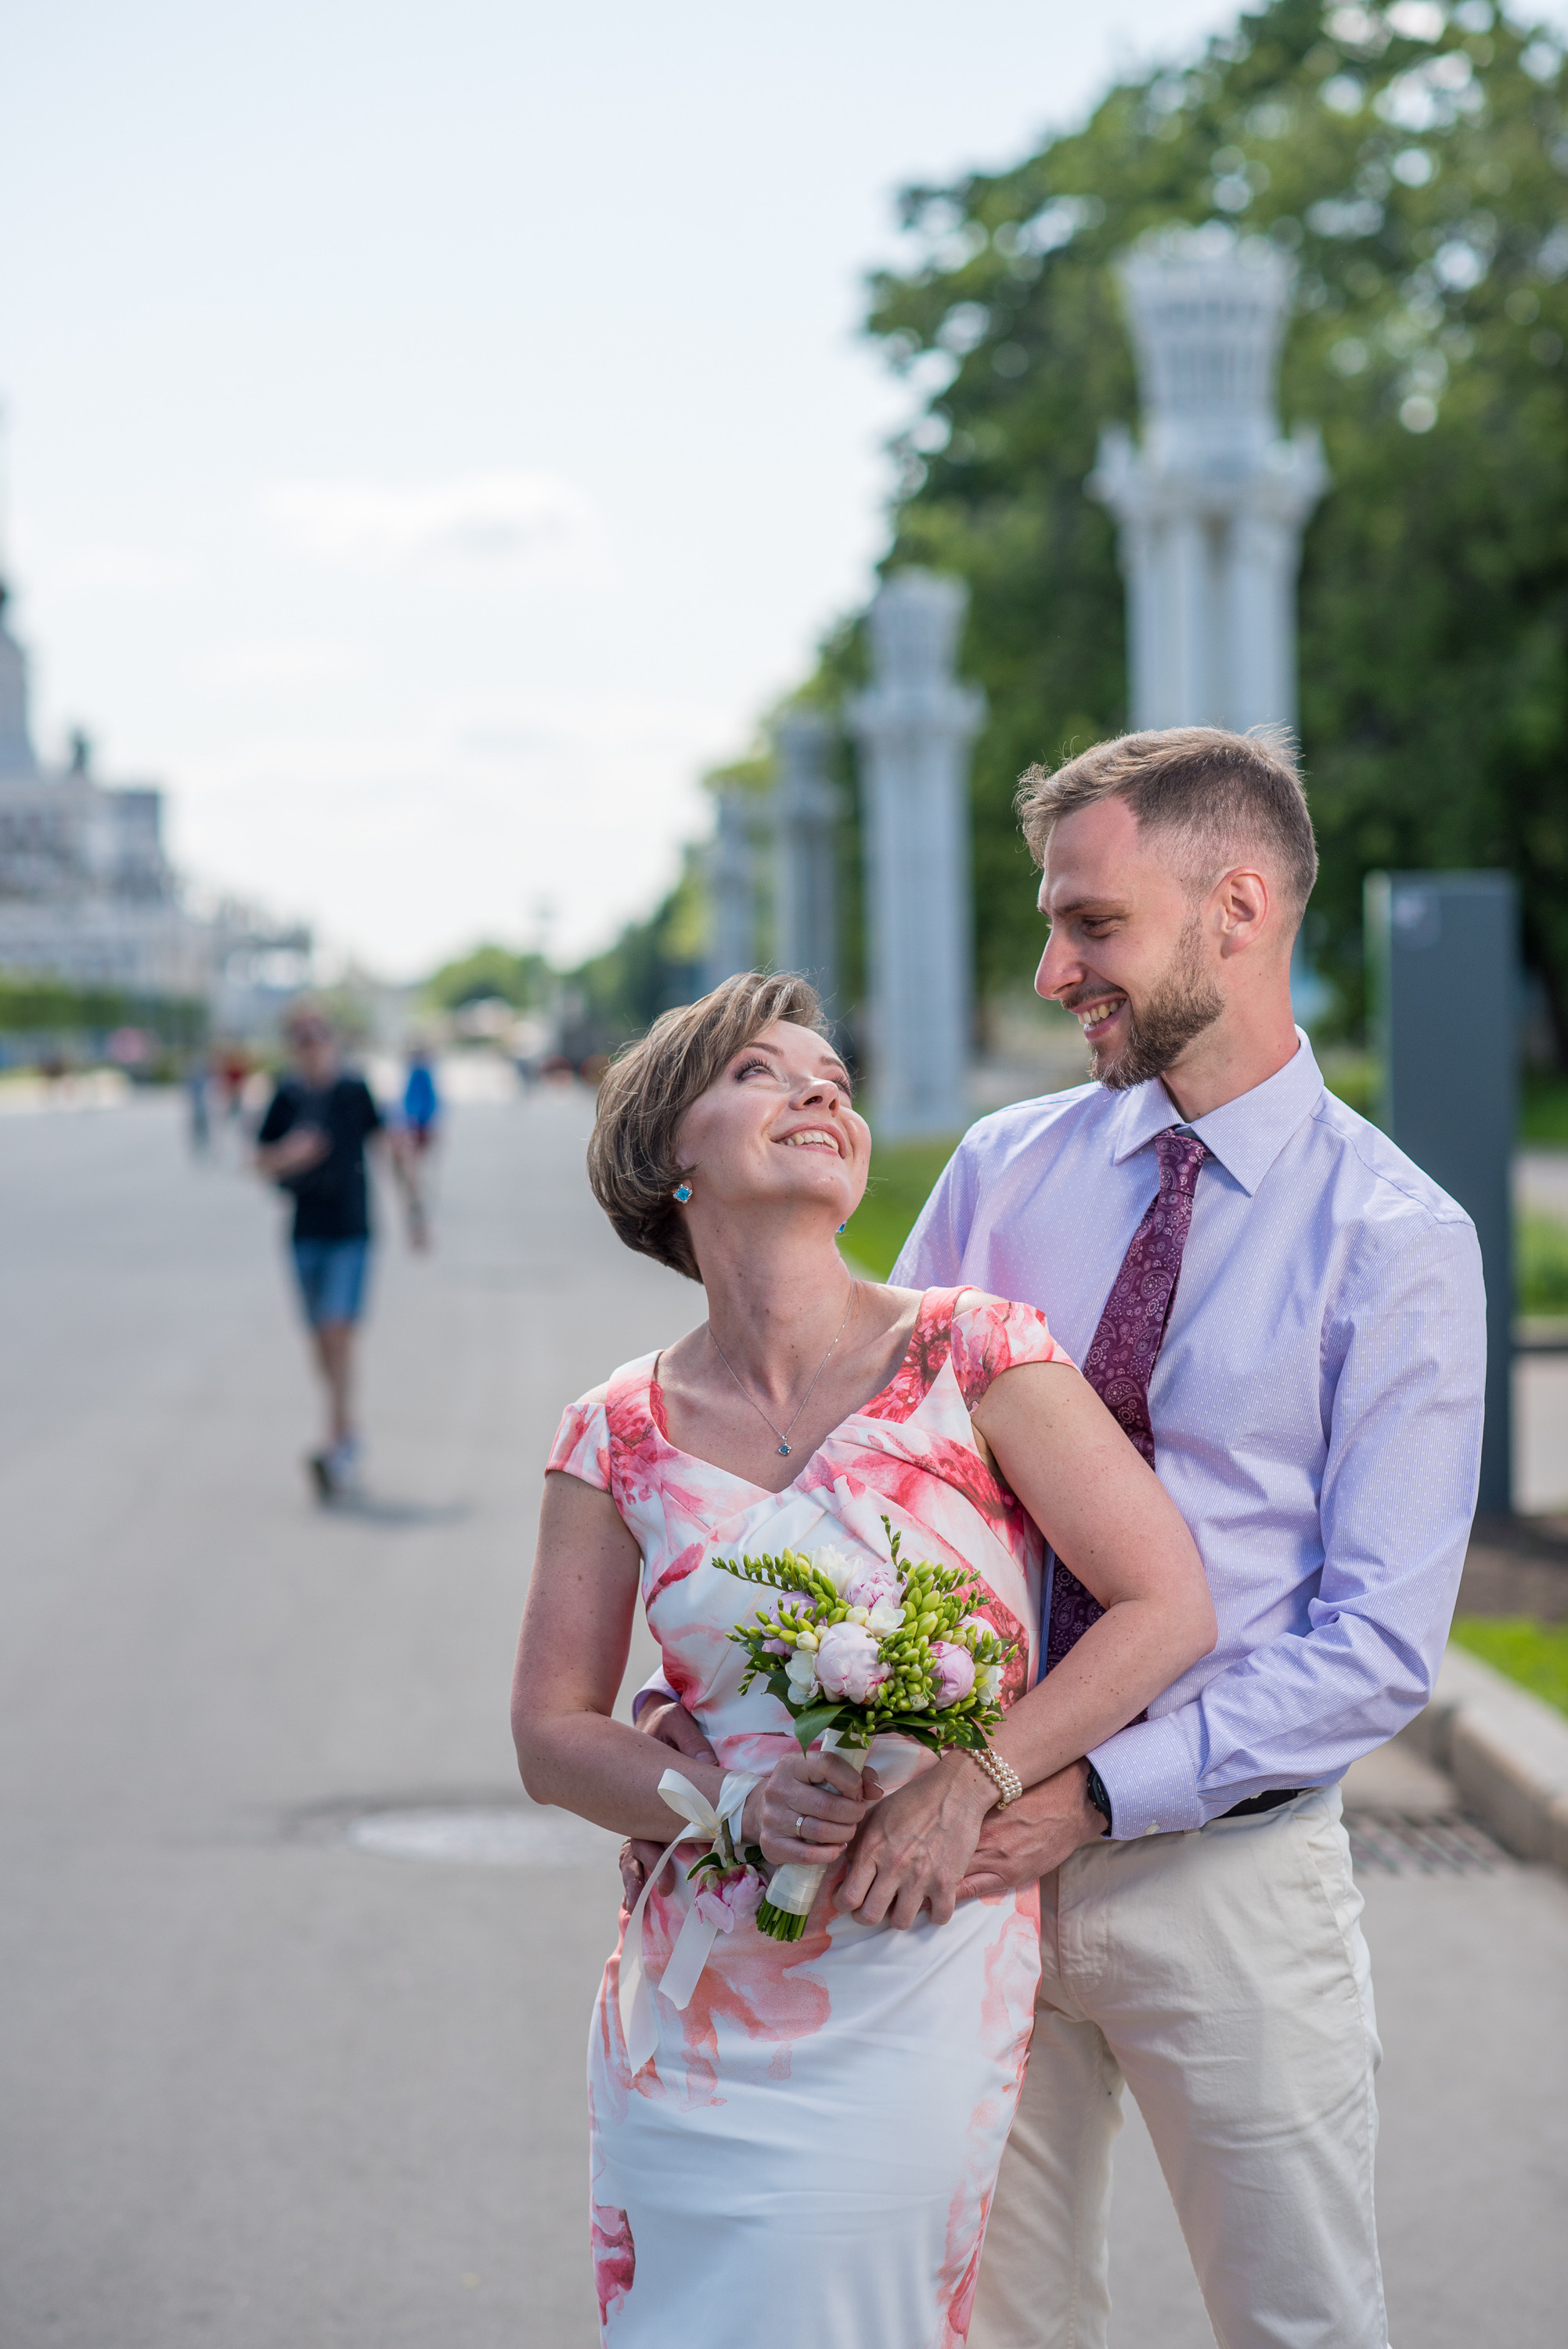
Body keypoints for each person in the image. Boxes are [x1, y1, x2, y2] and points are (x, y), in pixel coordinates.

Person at [637, 728, 1487, 2349]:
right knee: (989, 2325)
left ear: (1231, 908)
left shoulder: (1394, 1243)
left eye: (1087, 925)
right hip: (948, 1884)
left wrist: (1077, 1792)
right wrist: (724, 1701)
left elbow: (1373, 1650)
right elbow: (857, 1476)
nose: (1048, 970)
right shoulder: (998, 1169)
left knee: (1295, 2323)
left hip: (1220, 1880)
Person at [510, 972, 1215, 2349]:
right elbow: (550, 1733)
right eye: (762, 1072)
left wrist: (974, 1770)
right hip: (696, 1995)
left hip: (914, 1957)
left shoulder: (970, 1354)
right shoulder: (612, 1435)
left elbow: (1164, 1605)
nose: (818, 1089)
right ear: (669, 1156)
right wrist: (717, 1805)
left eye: (829, 1072)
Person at [254, 1005, 384, 1502]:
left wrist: (416, 1211)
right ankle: (346, 1426)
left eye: (317, 1037)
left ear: (330, 1041)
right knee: (319, 1340)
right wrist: (292, 1153)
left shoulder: (354, 1091)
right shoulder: (285, 1095)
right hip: (304, 1234)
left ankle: (336, 1440)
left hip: (352, 1232)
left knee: (337, 1331)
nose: (310, 1047)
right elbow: (259, 1160)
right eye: (300, 1039)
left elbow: (387, 1143)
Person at [392, 1041, 441, 1251]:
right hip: (416, 1129)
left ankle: (417, 1212)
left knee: (413, 1174)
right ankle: (416, 1208)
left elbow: (421, 1103)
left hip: (416, 1129)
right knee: (413, 1175)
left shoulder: (419, 1074)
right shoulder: (421, 1073)